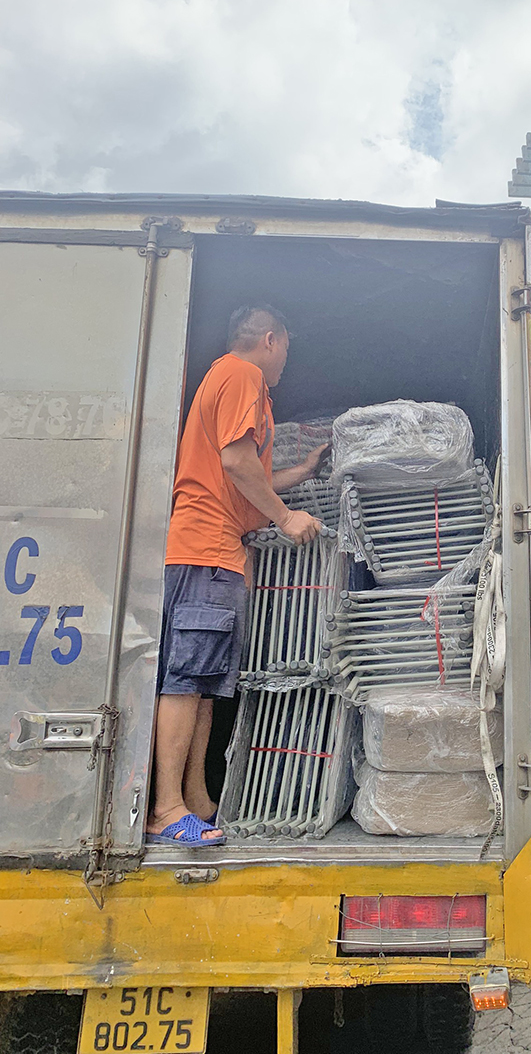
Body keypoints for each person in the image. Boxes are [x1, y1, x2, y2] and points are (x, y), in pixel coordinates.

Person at [146, 305, 327, 848]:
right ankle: (165, 808)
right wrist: (287, 516)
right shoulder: (241, 373)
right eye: (286, 350)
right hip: (205, 548)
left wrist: (302, 472)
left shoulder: (232, 381)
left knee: (203, 682)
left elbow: (249, 471)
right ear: (269, 339)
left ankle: (195, 798)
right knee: (186, 679)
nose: (285, 364)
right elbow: (235, 462)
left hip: (218, 550)